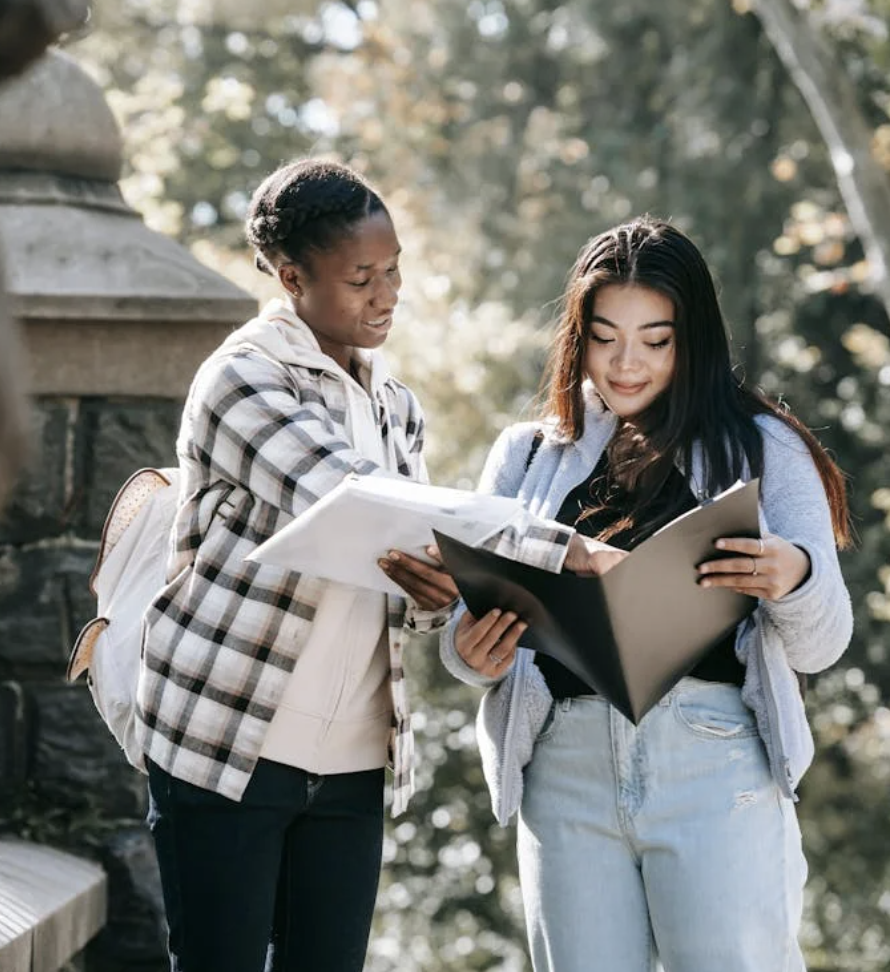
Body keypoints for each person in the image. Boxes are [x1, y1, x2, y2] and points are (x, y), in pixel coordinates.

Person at [135, 159, 596, 972]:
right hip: (227, 741)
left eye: (392, 272)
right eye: (360, 278)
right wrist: (568, 550)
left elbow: (405, 575)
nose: (386, 295)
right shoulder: (243, 379)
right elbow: (349, 499)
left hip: (352, 757)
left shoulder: (394, 405)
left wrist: (437, 589)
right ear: (291, 276)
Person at [423, 216, 854, 971]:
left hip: (714, 766)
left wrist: (795, 576)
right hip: (564, 773)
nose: (626, 364)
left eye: (655, 339)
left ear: (694, 340)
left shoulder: (763, 447)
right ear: (576, 336)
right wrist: (471, 650)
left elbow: (823, 642)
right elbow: (469, 645)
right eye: (604, 337)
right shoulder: (524, 456)